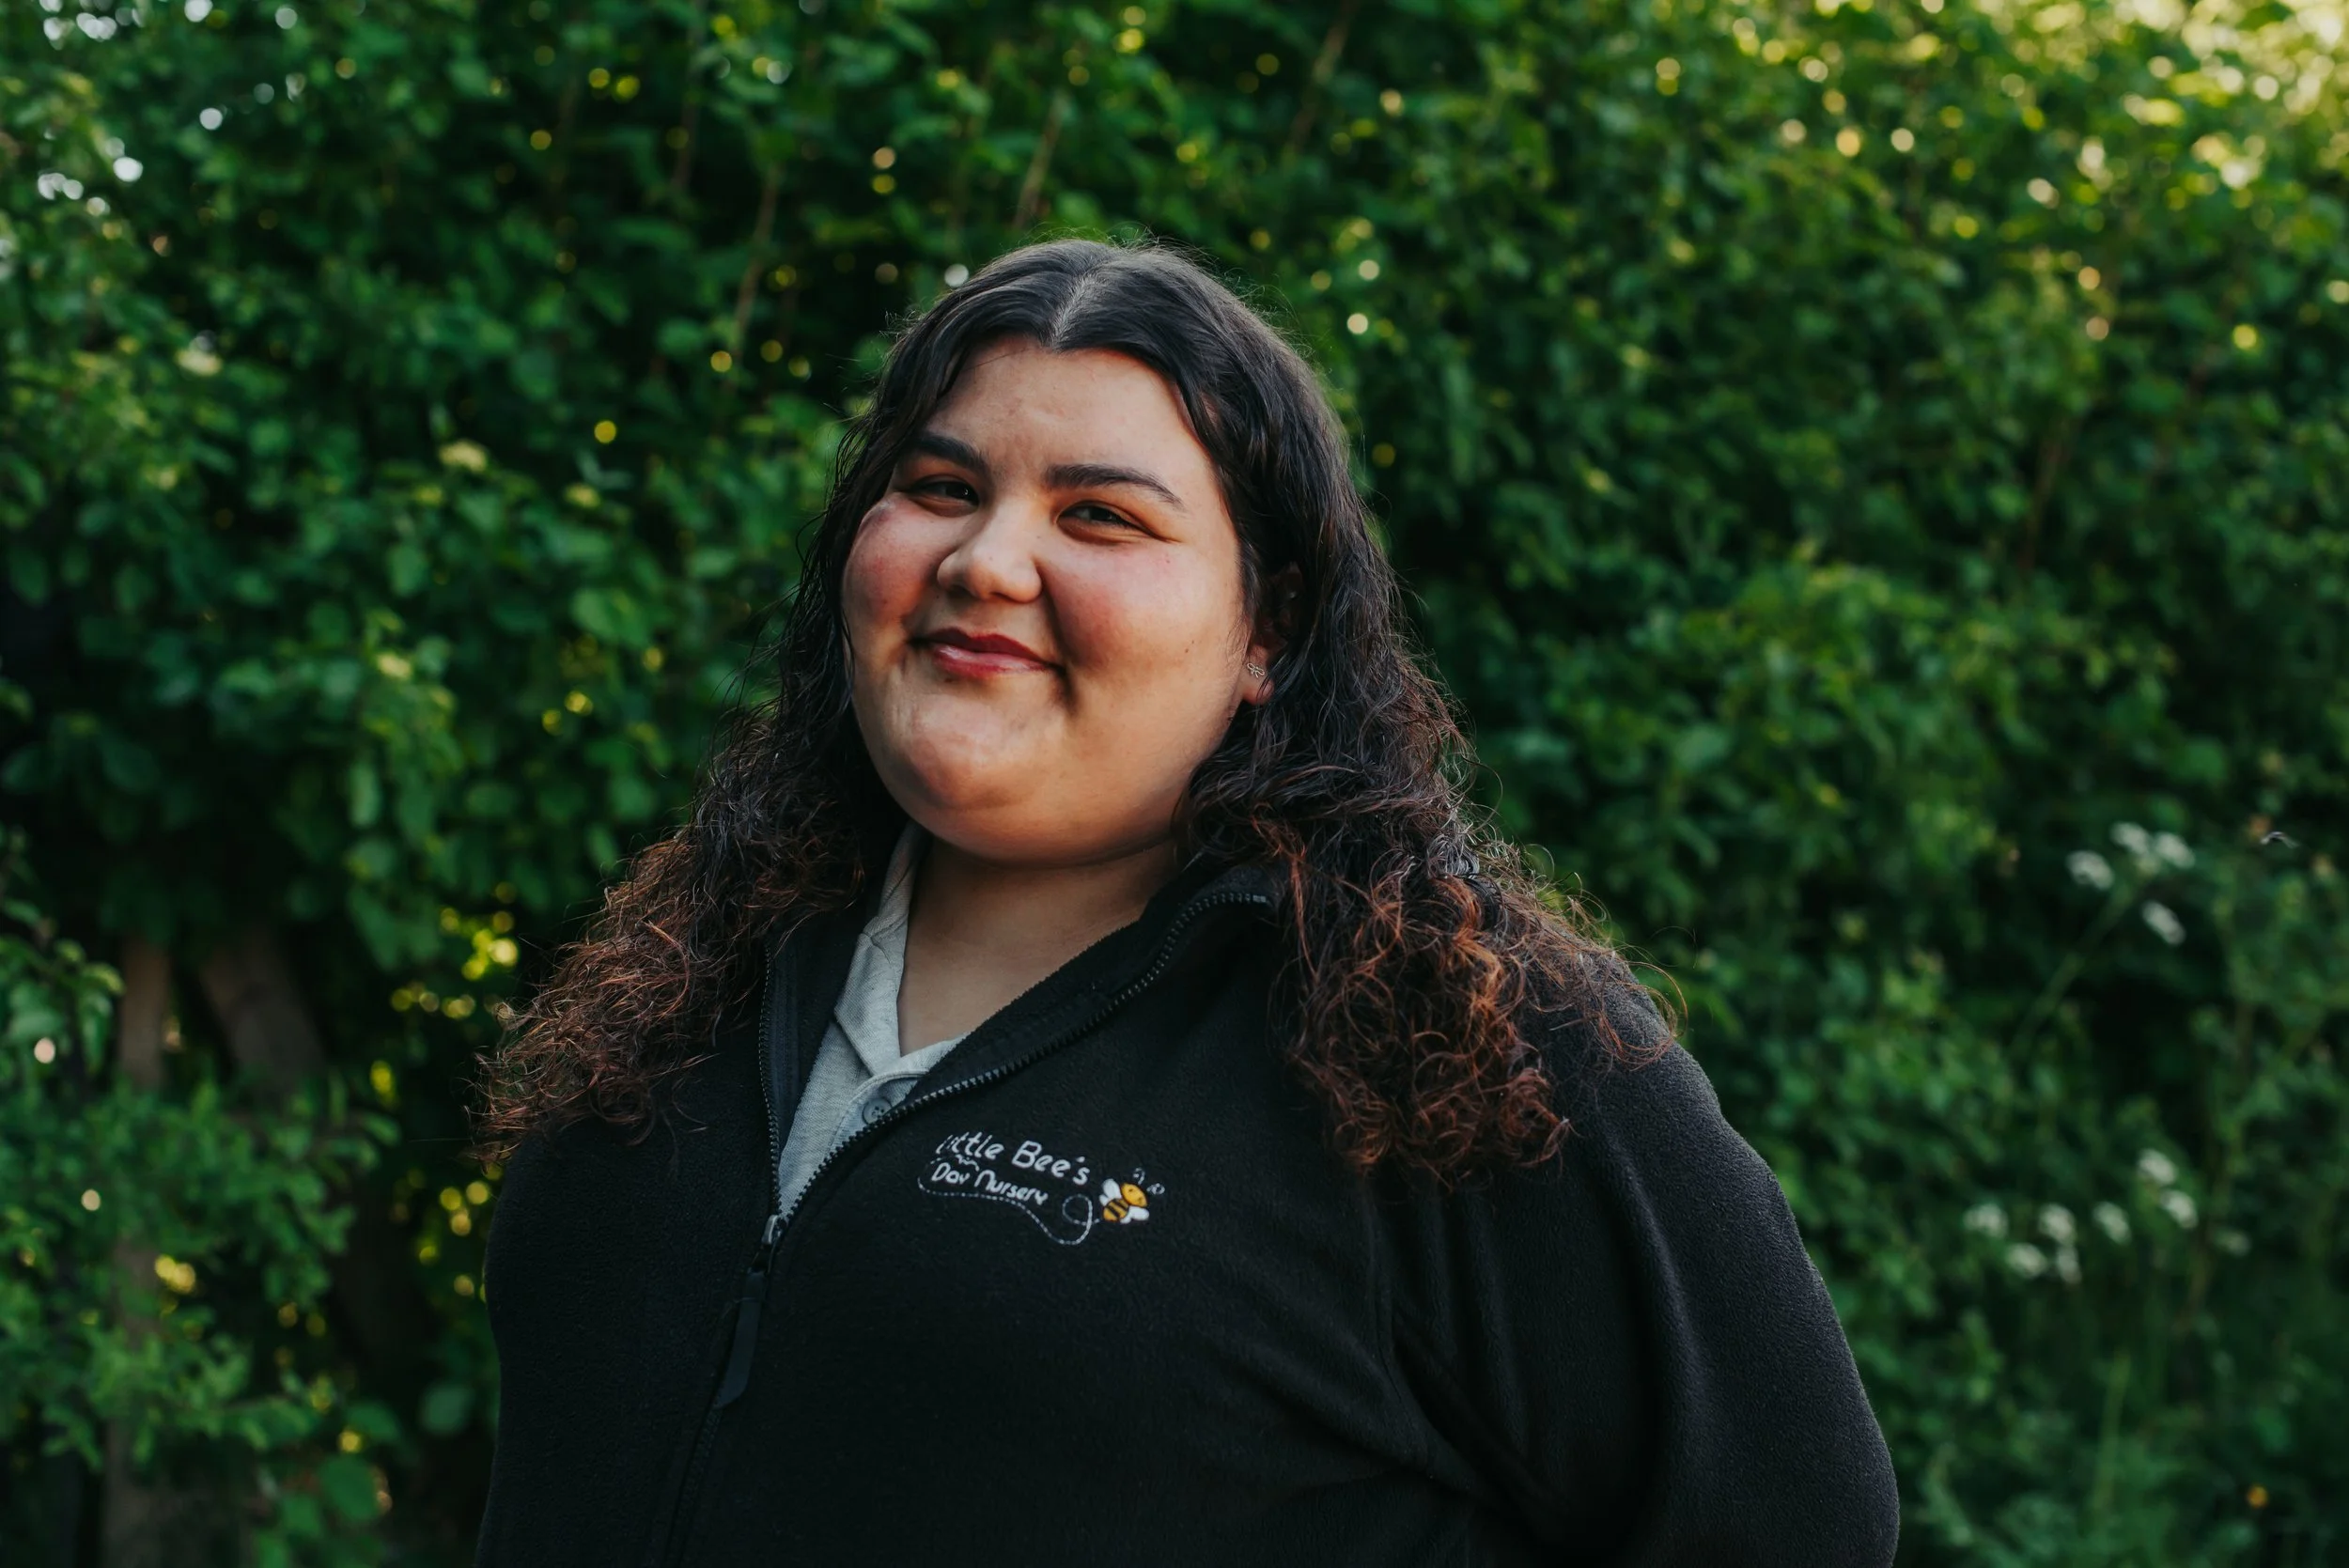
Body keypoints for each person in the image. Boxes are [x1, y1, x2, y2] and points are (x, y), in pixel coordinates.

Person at [474, 239, 1899, 1566]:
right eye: (941, 488)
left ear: (1264, 636)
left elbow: (1800, 1531)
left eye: (1099, 515)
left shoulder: (1460, 1048)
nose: (988, 560)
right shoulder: (704, 968)